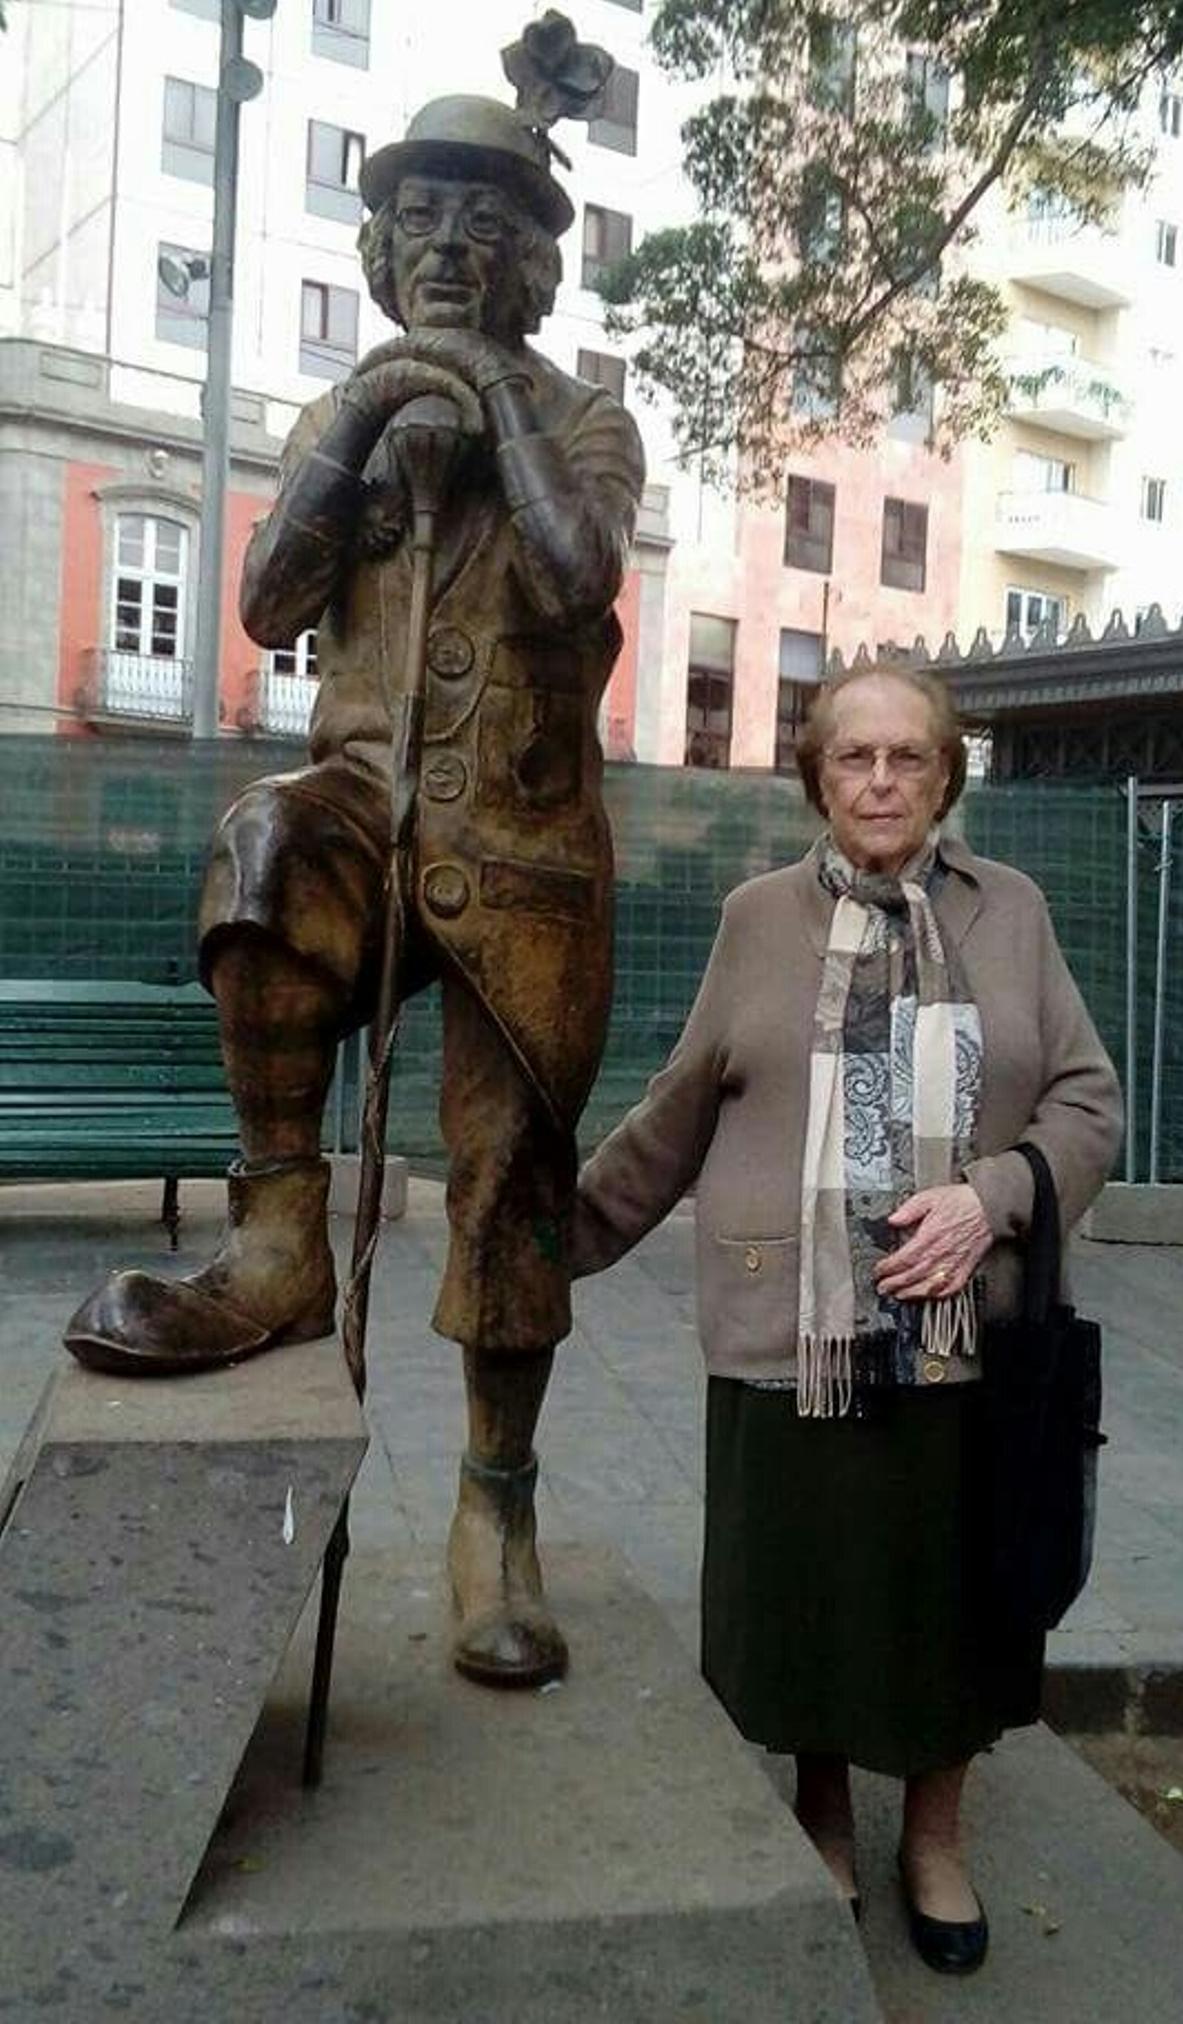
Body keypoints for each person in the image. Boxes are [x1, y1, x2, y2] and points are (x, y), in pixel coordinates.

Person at [64, 47, 645, 1692]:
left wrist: (491, 416)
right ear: (381, 250)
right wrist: (381, 412)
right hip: (371, 823)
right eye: (417, 218)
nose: (449, 243)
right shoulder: (350, 406)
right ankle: (279, 1238)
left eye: (483, 220)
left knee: (507, 1196)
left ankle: (495, 1513)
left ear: (533, 261)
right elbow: (261, 602)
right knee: (260, 851)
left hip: (527, 863)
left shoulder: (588, 419)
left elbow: (582, 571)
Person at [572, 666, 1121, 1973]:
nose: (881, 781)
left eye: (909, 759)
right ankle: (821, 1812)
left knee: (955, 1603)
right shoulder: (758, 918)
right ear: (817, 778)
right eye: (855, 759)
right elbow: (681, 1106)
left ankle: (935, 1835)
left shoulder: (1014, 914)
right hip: (790, 1331)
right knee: (809, 1599)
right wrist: (553, 1243)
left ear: (946, 779)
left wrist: (990, 1201)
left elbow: (1088, 1107)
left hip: (960, 1340)